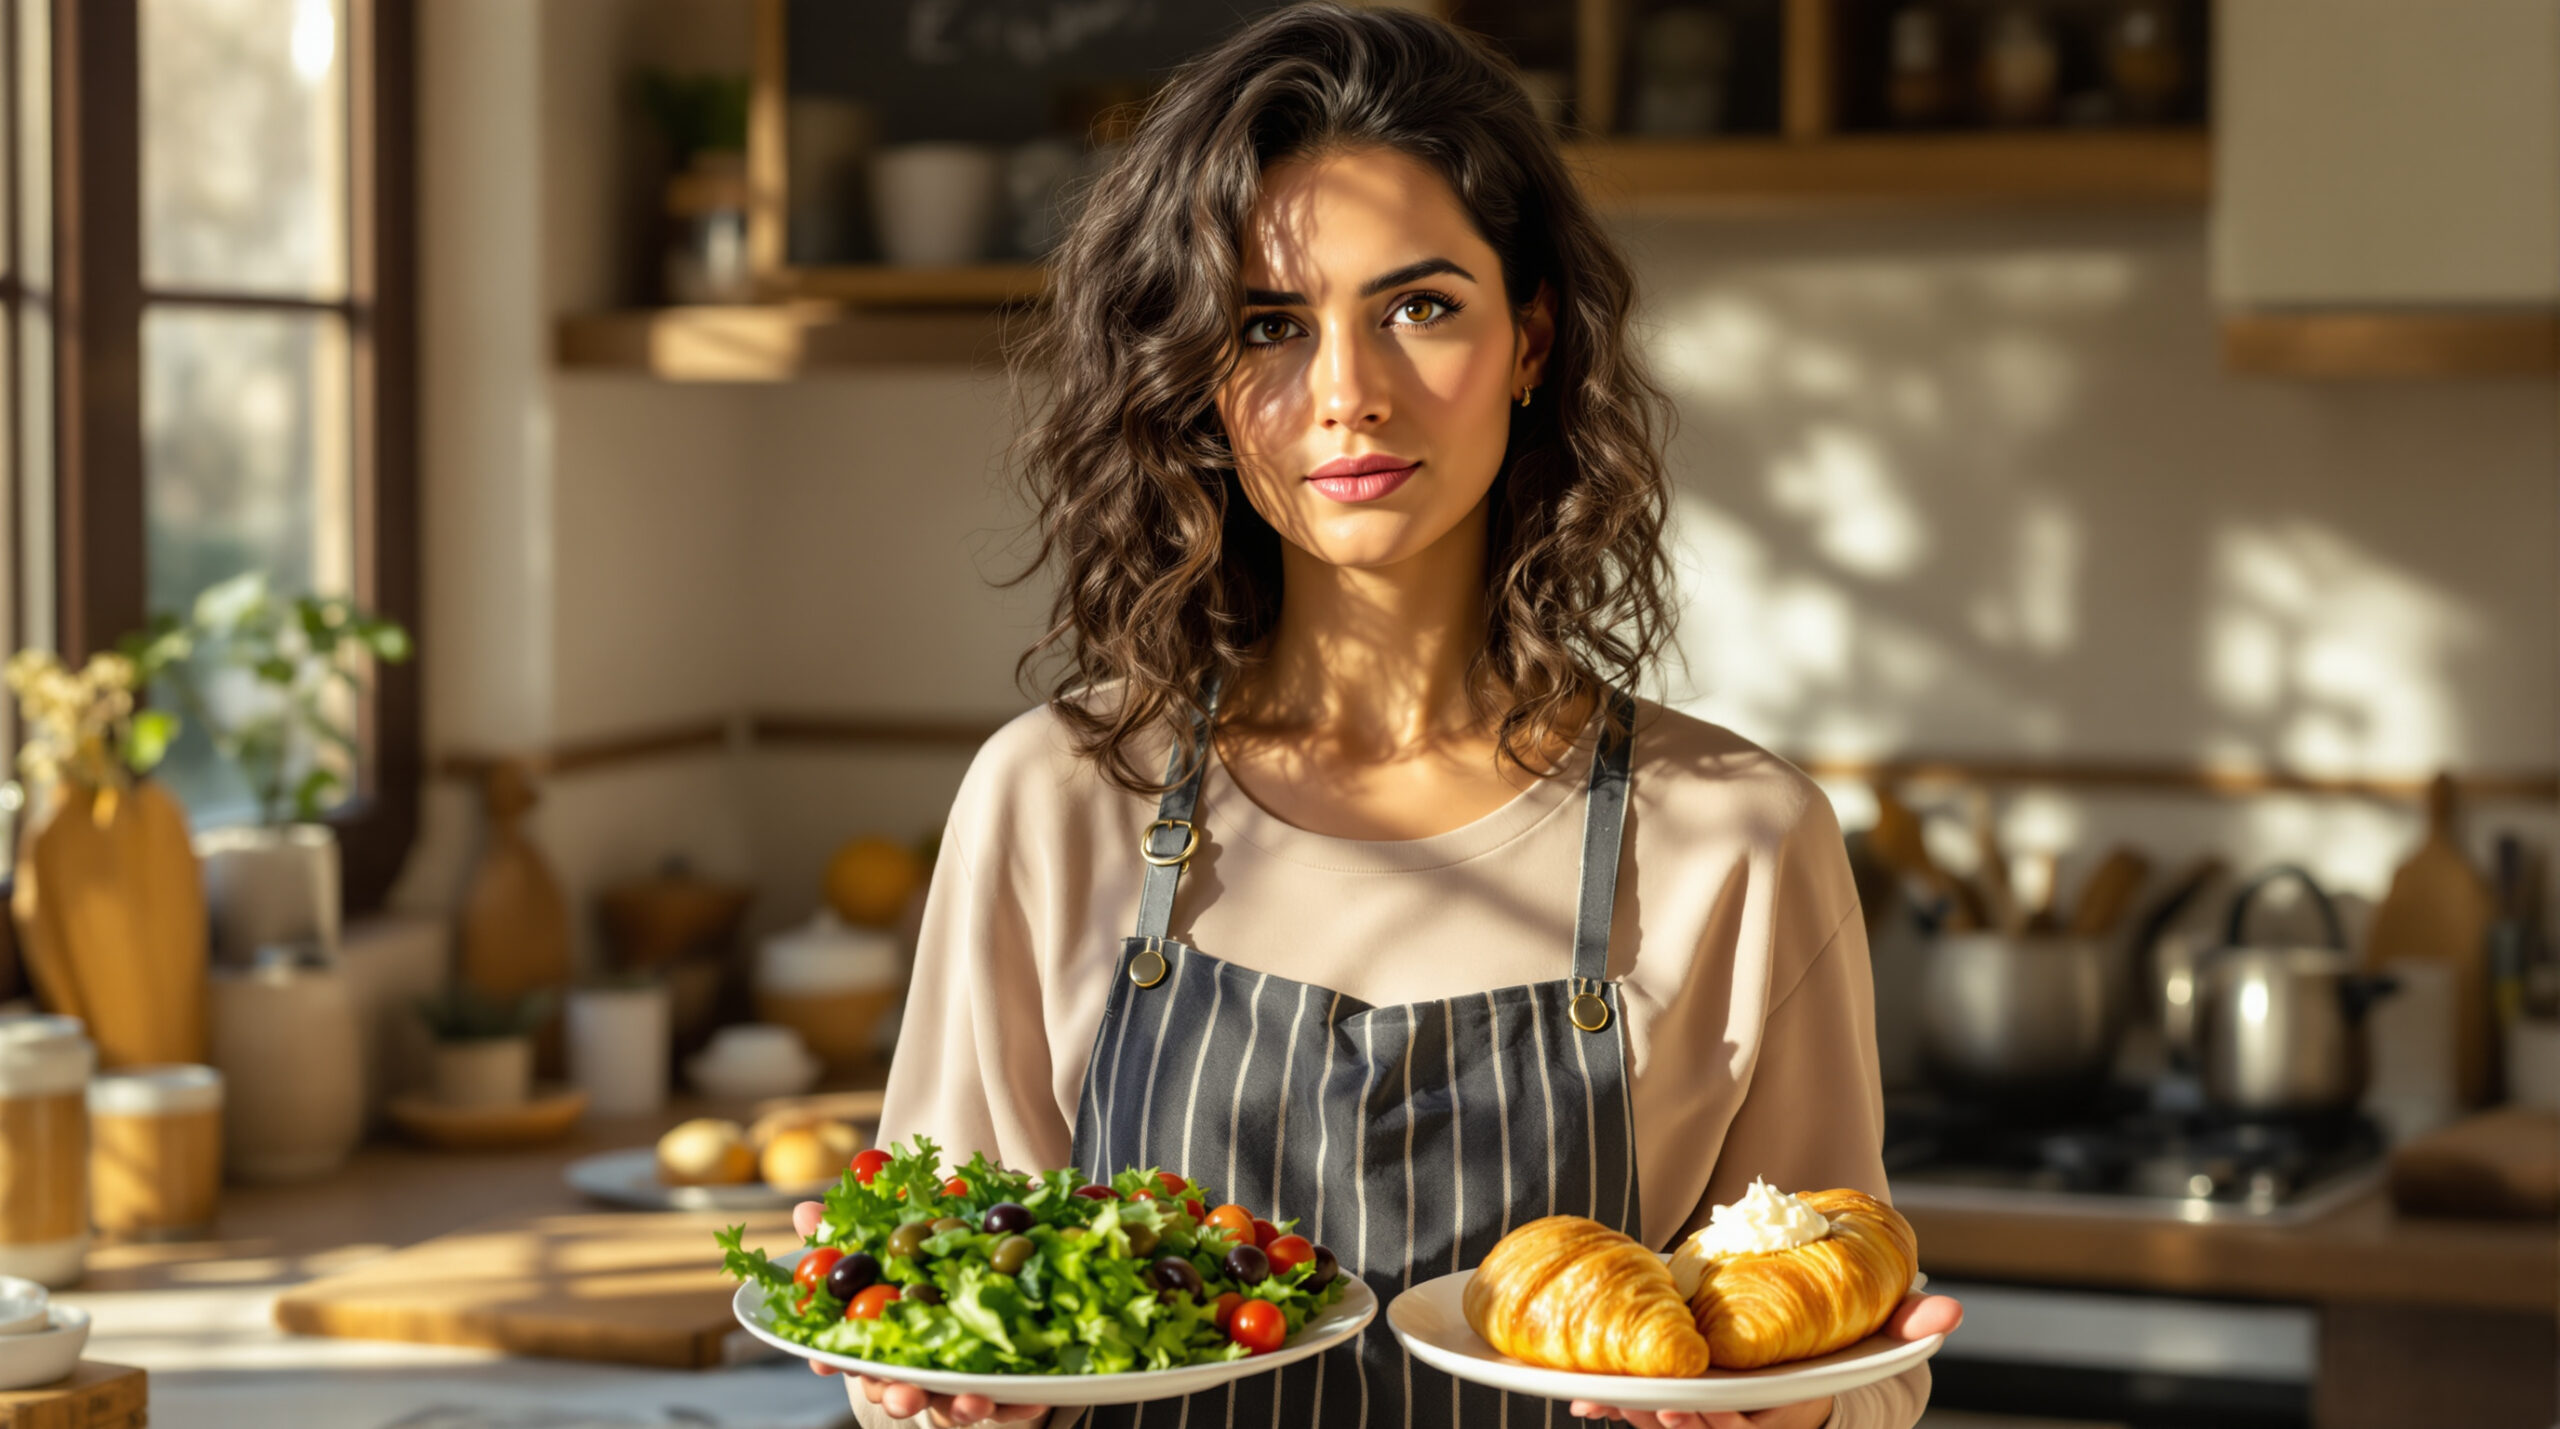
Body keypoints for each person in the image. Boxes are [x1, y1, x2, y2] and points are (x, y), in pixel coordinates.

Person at [800, 6, 1961, 1425]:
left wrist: (1802, 1414)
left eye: (1420, 307)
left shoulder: (1741, 839)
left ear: (1532, 337)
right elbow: (931, 1337)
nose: (1347, 395)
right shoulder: (1053, 798)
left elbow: (1846, 1353)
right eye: (1271, 326)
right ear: (1205, 386)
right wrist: (938, 1400)